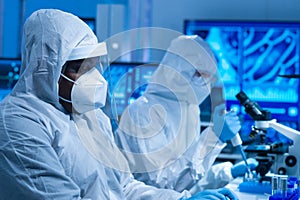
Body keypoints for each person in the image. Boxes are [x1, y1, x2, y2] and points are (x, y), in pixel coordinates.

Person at [0, 9, 239, 200]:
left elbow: (124, 187)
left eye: (93, 66)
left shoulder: (92, 119)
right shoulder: (17, 123)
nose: (93, 78)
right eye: (77, 68)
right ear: (46, 69)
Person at [115, 35, 258, 193]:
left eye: (210, 77)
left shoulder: (190, 109)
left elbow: (186, 180)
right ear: (176, 71)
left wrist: (225, 174)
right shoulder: (143, 112)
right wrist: (213, 137)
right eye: (200, 75)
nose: (206, 83)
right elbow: (160, 184)